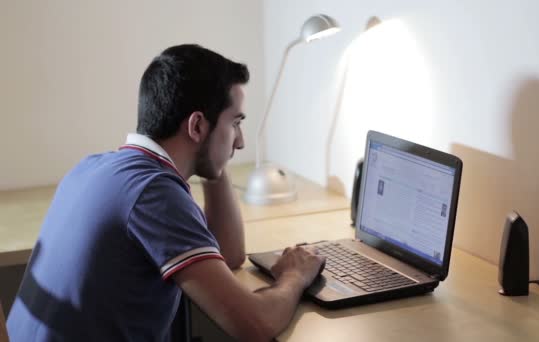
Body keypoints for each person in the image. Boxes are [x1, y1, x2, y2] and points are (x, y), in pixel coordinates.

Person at [7, 44, 325, 342]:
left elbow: (227, 255)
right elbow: (255, 325)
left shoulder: (97, 167)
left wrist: (213, 156)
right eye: (235, 123)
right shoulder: (153, 194)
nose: (240, 142)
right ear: (197, 125)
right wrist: (295, 275)